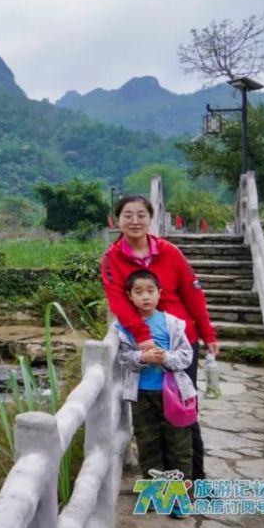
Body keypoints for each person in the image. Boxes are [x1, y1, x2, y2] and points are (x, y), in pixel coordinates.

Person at [101, 195, 218, 479]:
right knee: (149, 425)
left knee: (184, 414)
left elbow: (193, 294)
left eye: (141, 214)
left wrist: (207, 332)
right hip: (142, 349)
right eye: (127, 215)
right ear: (118, 220)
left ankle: (196, 483)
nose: (135, 221)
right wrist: (143, 337)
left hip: (179, 343)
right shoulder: (111, 259)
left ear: (150, 218)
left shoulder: (170, 252)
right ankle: (162, 489)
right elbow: (118, 302)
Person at [116, 270, 197, 518]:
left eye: (150, 291)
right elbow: (123, 357)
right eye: (138, 292)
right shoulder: (124, 326)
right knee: (148, 444)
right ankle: (154, 493)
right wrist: (142, 357)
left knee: (179, 445)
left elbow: (186, 355)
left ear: (160, 294)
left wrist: (166, 357)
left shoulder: (172, 323)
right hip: (142, 394)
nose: (145, 296)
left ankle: (180, 499)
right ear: (129, 296)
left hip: (173, 394)